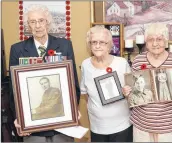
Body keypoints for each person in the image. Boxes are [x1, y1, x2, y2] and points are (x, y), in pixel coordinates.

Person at [9, 5, 80, 142]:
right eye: (32, 22)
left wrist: (72, 109)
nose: (37, 26)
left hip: (62, 125)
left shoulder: (65, 45)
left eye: (41, 20)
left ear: (47, 22)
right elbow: (13, 90)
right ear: (27, 25)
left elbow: (73, 83)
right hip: (33, 129)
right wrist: (19, 118)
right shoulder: (17, 50)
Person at [122, 23, 172, 142]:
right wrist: (128, 92)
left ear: (166, 41)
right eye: (151, 39)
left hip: (169, 123)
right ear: (146, 42)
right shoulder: (138, 60)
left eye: (159, 39)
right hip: (142, 122)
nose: (155, 43)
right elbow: (133, 89)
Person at [80, 25, 132, 142]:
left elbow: (133, 93)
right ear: (89, 45)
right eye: (94, 42)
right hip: (97, 127)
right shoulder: (85, 65)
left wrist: (127, 92)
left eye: (102, 42)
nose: (97, 46)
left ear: (109, 45)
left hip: (122, 125)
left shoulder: (121, 63)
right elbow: (85, 94)